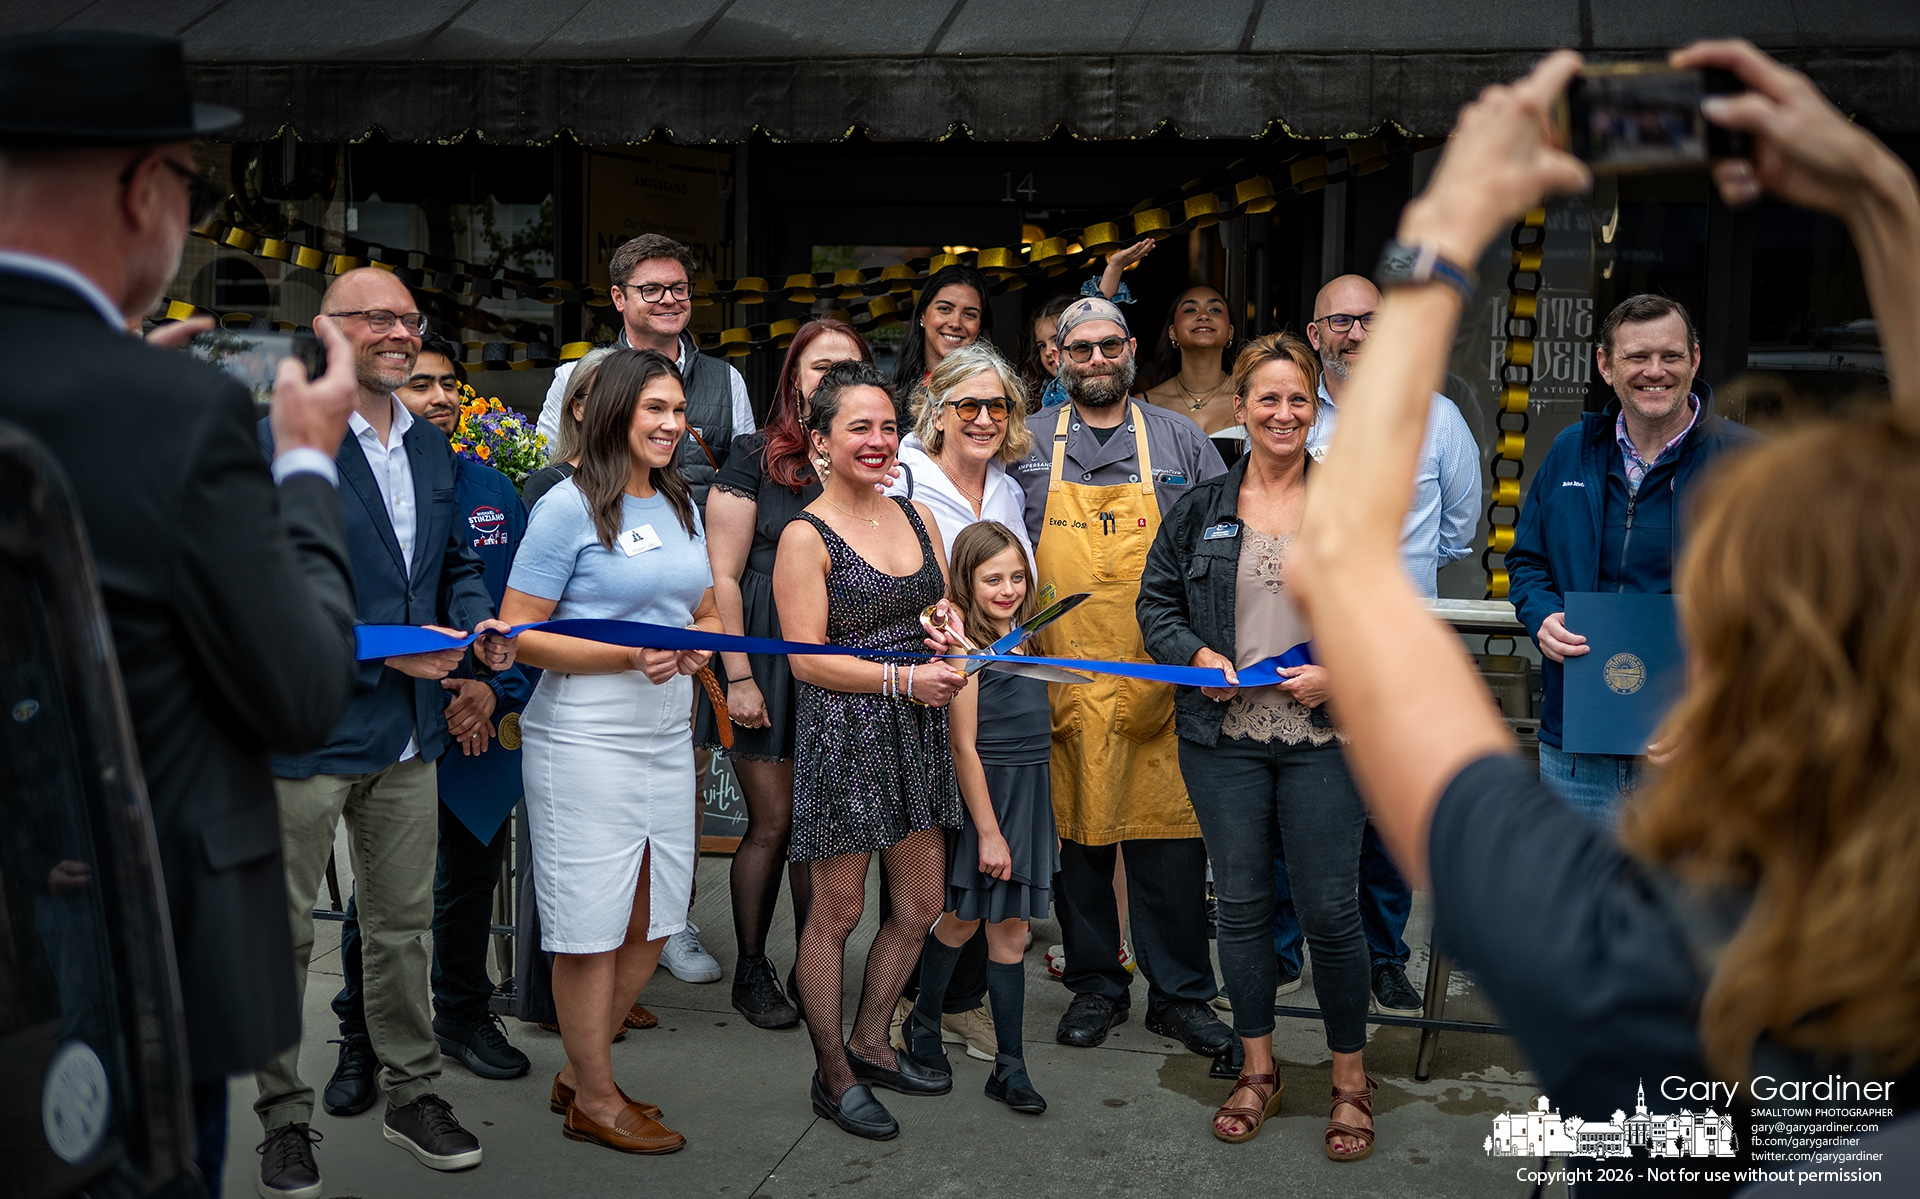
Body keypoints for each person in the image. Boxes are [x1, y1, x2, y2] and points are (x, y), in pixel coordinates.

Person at [1288, 41, 1920, 1199]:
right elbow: (1494, 564)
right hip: (1588, 740)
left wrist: (1444, 225)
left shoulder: (1624, 964)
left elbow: (1340, 561)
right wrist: (1887, 199)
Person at [0, 29, 361, 1196]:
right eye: (192, 191)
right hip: (142, 943)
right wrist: (303, 462)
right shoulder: (177, 413)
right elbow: (302, 689)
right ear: (142, 186)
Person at [254, 267, 514, 1195]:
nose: (401, 333)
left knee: (401, 930)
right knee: (282, 937)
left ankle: (413, 1093)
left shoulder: (433, 445)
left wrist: (478, 625)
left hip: (408, 740)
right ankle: (283, 1118)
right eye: (379, 318)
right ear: (327, 328)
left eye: (410, 318)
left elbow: (456, 566)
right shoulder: (282, 436)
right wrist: (390, 651)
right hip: (307, 730)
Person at [1137, 332, 1376, 1157]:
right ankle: (1258, 1069)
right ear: (1240, 409)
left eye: (1297, 398)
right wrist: (1195, 655)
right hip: (1223, 737)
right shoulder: (1201, 505)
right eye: (1267, 398)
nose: (1282, 412)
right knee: (1239, 906)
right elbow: (1156, 603)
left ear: (1316, 410)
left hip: (1328, 736)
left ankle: (1350, 1080)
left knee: (1330, 910)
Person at [499, 347, 723, 1155]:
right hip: (583, 736)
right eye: (655, 408)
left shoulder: (680, 498)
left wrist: (701, 642)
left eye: (678, 410)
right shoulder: (566, 506)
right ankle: (594, 1094)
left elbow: (703, 607)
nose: (672, 424)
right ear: (614, 410)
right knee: (590, 924)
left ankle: (579, 1067)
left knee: (655, 916)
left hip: (666, 729)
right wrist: (628, 653)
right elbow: (518, 633)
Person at [1012, 296, 1233, 1056]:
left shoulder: (1179, 438)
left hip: (1162, 675)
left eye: (1110, 346)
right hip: (1062, 675)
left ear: (1133, 349)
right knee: (1079, 847)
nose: (1097, 360)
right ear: (1059, 359)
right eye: (1081, 349)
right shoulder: (1026, 441)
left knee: (1170, 848)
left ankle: (1181, 996)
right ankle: (1096, 986)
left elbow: (1218, 542)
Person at [323, 335, 535, 1117]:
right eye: (420, 383)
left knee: (471, 877)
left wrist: (491, 691)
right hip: (393, 716)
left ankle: (463, 1013)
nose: (439, 396)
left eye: (449, 383)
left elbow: (522, 606)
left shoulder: (493, 488)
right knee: (381, 897)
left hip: (479, 721)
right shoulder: (348, 481)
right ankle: (359, 1037)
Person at [1270, 270, 1486, 1019]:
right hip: (1297, 642)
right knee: (1289, 801)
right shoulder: (1293, 413)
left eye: (1369, 319)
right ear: (1315, 333)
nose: (1355, 333)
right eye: (1340, 321)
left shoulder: (1438, 418)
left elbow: (1458, 528)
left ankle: (1383, 957)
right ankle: (1281, 952)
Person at [772, 361, 970, 1141]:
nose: (880, 439)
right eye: (860, 426)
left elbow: (939, 604)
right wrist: (905, 678)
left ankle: (871, 1038)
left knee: (919, 903)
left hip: (916, 730)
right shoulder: (804, 535)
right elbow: (805, 659)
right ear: (820, 441)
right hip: (847, 735)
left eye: (889, 426)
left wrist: (947, 628)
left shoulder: (918, 517)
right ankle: (832, 1071)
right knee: (839, 910)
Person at [1507, 293, 1757, 828]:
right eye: (1637, 357)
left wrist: (1715, 710)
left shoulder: (1747, 464)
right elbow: (1527, 561)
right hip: (1576, 751)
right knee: (1576, 886)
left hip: (1699, 752)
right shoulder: (1571, 450)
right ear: (1605, 365)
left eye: (1671, 356)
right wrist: (1542, 616)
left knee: (1685, 887)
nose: (1655, 371)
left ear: (1694, 358)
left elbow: (1782, 604)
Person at [698, 318, 872, 1029]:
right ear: (794, 378)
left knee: (817, 823)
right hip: (766, 655)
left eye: (849, 365)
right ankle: (751, 969)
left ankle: (811, 966)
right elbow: (724, 577)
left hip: (836, 656)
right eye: (821, 365)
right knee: (772, 822)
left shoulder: (867, 457)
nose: (834, 376)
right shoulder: (751, 456)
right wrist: (738, 675)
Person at [881, 342, 1035, 1062]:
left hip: (991, 688)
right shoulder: (903, 473)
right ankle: (900, 1004)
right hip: (922, 685)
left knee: (977, 869)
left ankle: (956, 1005)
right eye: (967, 404)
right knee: (931, 868)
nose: (983, 418)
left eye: (996, 406)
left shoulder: (1008, 487)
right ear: (936, 410)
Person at [906, 520, 1058, 1116]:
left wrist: (1045, 825)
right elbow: (963, 747)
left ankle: (1010, 1067)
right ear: (967, 580)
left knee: (1012, 932)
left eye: (1017, 577)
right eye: (993, 579)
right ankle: (923, 1020)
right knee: (963, 919)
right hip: (987, 802)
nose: (1008, 589)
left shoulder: (1029, 638)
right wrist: (990, 833)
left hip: (1030, 795)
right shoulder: (965, 650)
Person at [535, 234, 755, 505]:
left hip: (697, 532)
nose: (669, 299)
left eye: (679, 288)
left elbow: (747, 484)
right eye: (651, 290)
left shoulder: (728, 381)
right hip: (605, 530)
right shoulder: (576, 379)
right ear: (619, 298)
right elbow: (546, 471)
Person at [1028, 238, 1155, 411]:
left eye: (1056, 339)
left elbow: (1097, 305)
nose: (1048, 351)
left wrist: (1114, 267)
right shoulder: (1047, 390)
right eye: (1041, 345)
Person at [523, 345, 614, 508]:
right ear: (578, 408)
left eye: (625, 396)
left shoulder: (645, 481)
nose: (616, 405)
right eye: (602, 396)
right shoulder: (550, 484)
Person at [1143, 285, 1238, 437]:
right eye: (1190, 310)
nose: (1203, 316)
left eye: (1215, 310)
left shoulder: (1250, 399)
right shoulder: (1144, 405)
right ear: (1172, 333)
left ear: (1230, 332)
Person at [891, 263, 990, 405]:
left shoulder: (995, 394)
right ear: (922, 315)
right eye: (945, 309)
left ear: (980, 325)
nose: (955, 323)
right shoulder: (893, 398)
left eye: (969, 314)